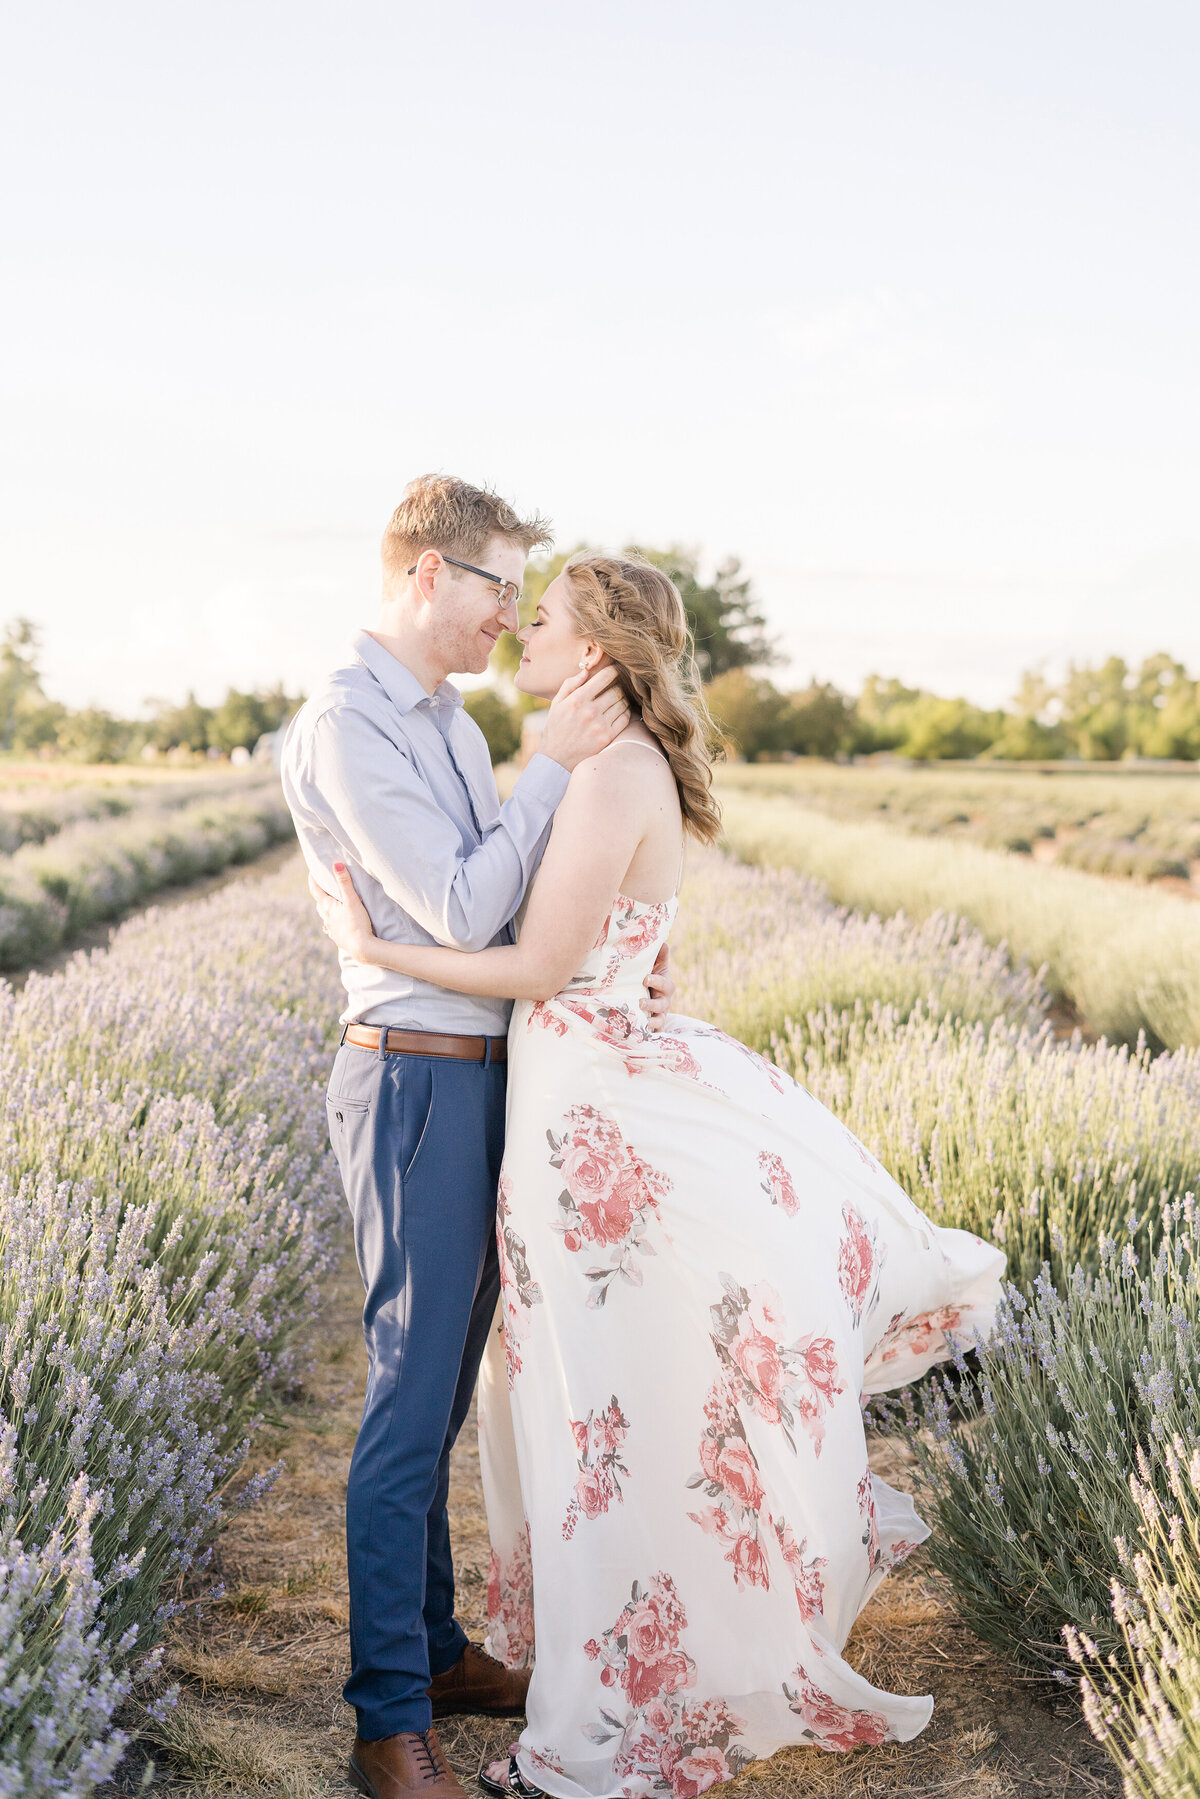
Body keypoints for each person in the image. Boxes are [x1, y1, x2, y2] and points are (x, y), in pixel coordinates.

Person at [312, 552, 1006, 1799]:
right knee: (607, 1401)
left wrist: (371, 941)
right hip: (570, 1094)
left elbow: (531, 963)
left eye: (548, 617)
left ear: (595, 652)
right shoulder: (595, 764)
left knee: (604, 1414)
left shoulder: (603, 771)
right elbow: (592, 942)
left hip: (578, 1114)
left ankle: (609, 1679)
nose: (523, 628)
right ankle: (547, 1651)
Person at [281, 479, 675, 1799]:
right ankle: (388, 1718)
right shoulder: (352, 720)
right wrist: (553, 769)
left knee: (446, 1386)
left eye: (524, 591)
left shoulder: (443, 715)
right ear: (417, 573)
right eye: (494, 583)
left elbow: (513, 913)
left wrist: (607, 966)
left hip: (482, 1069)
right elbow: (458, 908)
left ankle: (439, 1649)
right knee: (406, 1397)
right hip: (416, 1084)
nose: (512, 614)